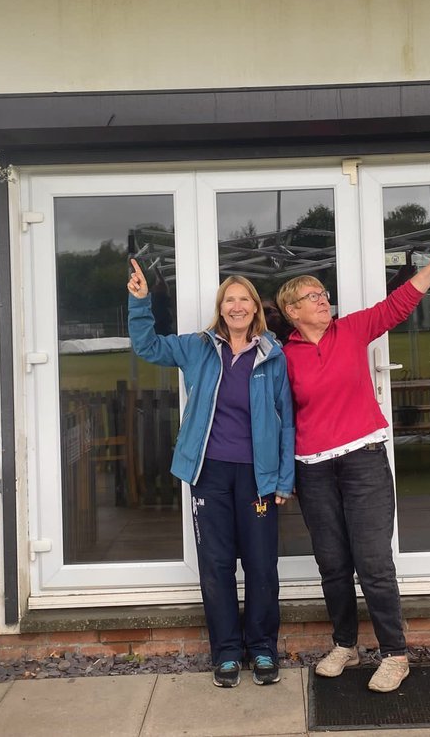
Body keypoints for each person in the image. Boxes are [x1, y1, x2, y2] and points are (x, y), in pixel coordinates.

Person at [276, 232, 430, 693]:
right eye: (312, 296)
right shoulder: (284, 356)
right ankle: (346, 645)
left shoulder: (351, 330)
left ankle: (394, 654)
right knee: (332, 562)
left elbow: (396, 306)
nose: (323, 299)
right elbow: (277, 415)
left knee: (373, 561)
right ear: (291, 310)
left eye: (323, 293)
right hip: (313, 468)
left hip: (363, 461)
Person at [127, 259, 295, 688]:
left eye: (244, 300)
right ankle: (226, 653)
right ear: (220, 308)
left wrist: (284, 478)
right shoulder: (198, 348)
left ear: (255, 307)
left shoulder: (272, 355)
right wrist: (141, 302)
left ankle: (262, 649)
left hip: (258, 475)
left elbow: (286, 421)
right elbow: (148, 347)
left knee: (261, 565)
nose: (236, 306)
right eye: (229, 300)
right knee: (216, 564)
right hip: (210, 473)